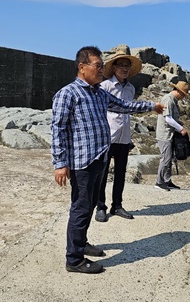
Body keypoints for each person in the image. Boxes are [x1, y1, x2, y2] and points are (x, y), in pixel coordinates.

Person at [51, 46, 164, 274]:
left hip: (99, 159)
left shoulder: (99, 92)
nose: (102, 70)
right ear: (82, 67)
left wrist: (151, 106)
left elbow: (124, 106)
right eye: (98, 66)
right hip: (82, 162)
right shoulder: (68, 93)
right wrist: (60, 164)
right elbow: (58, 129)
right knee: (81, 208)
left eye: (102, 66)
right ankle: (74, 260)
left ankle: (81, 244)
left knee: (91, 205)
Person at [95, 51, 143, 222]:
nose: (124, 68)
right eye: (121, 65)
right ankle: (100, 206)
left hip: (124, 138)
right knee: (102, 173)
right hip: (108, 137)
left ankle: (117, 205)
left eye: (127, 65)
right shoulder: (105, 86)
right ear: (114, 67)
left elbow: (129, 110)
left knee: (120, 174)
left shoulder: (131, 88)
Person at [155, 81, 190, 191]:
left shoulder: (173, 101)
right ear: (179, 92)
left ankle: (167, 181)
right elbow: (168, 118)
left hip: (170, 134)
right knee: (166, 158)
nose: (183, 97)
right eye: (184, 94)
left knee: (170, 158)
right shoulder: (168, 100)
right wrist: (181, 128)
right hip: (164, 134)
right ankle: (159, 182)